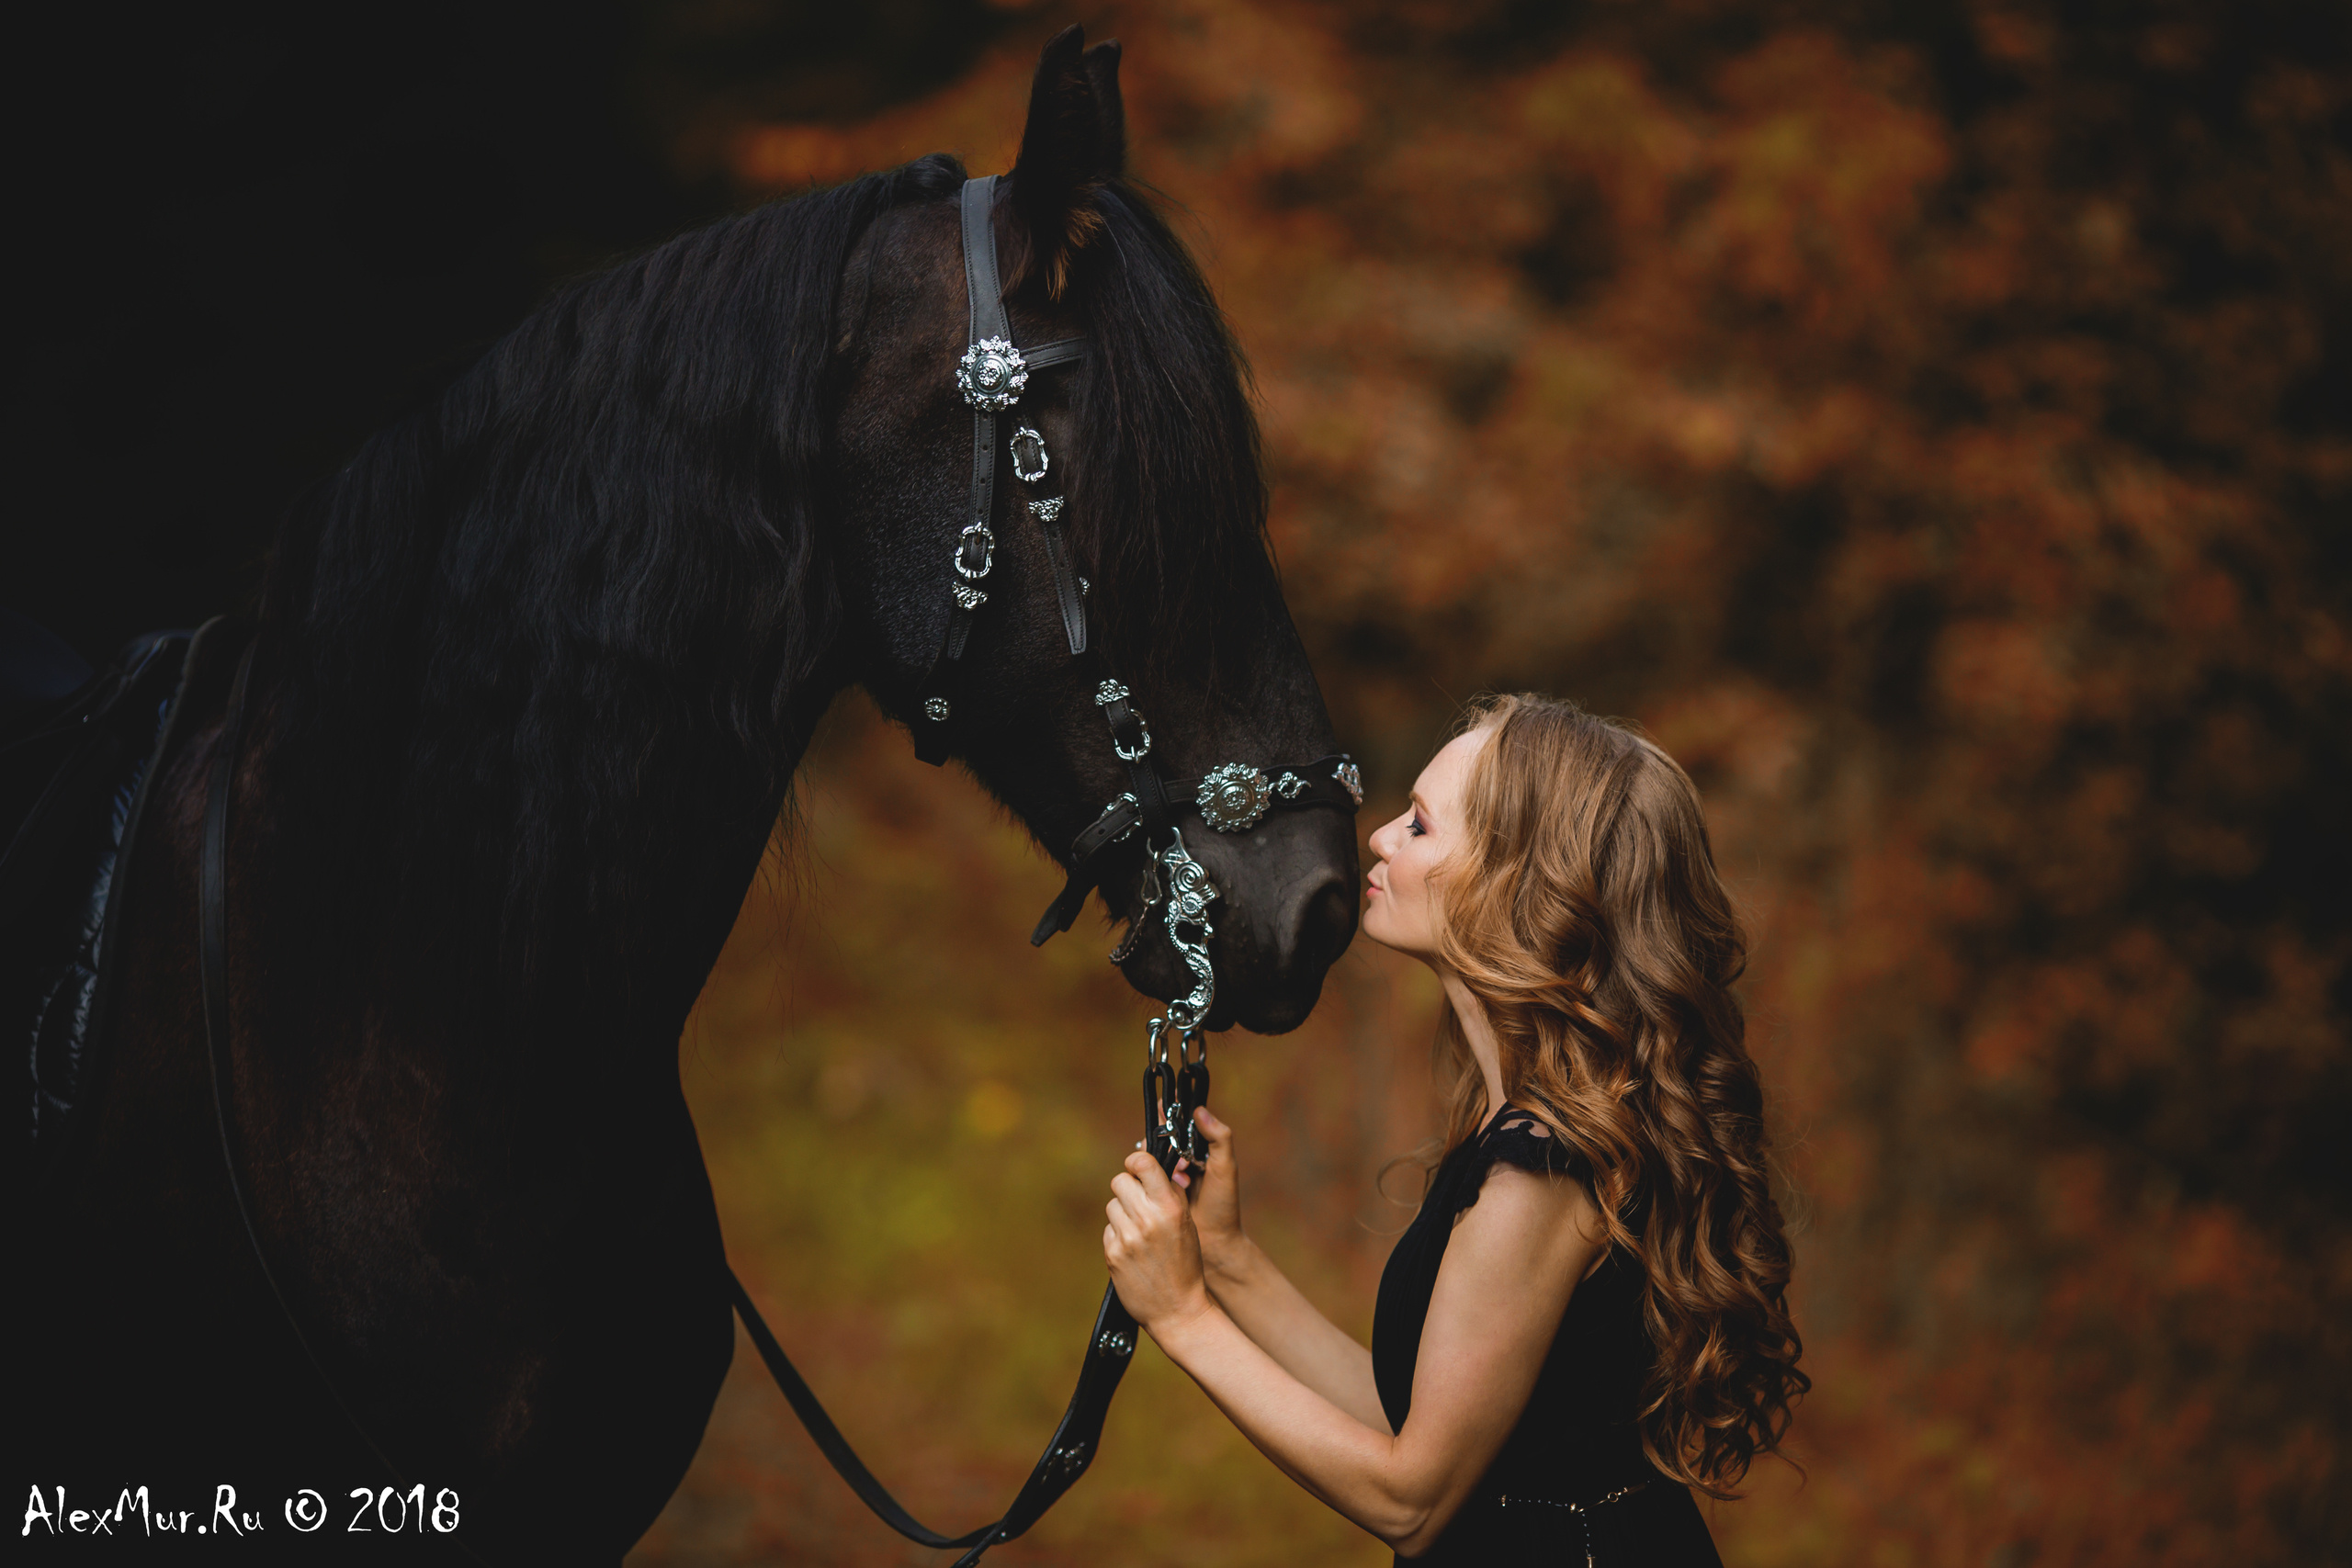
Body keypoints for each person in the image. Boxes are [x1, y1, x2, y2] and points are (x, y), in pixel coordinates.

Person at [1102, 693, 1807, 1563]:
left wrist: (1182, 1317)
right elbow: (1420, 1422)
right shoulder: (1532, 1124)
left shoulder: (1542, 1172)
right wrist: (1230, 1262)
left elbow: (1413, 1498)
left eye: (1421, 826)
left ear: (1520, 887)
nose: (1379, 838)